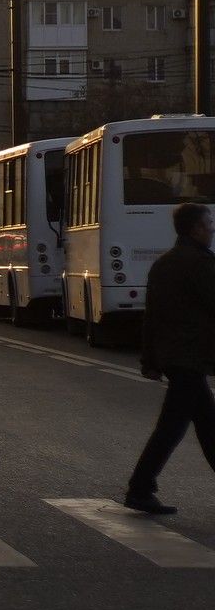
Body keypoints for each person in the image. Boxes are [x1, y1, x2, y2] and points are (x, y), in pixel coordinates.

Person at [122, 202, 215, 515]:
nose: (212, 229)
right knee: (172, 427)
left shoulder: (164, 264)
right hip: (191, 356)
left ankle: (140, 487)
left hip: (176, 357)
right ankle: (139, 487)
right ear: (195, 229)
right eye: (208, 225)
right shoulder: (200, 264)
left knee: (206, 424)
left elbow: (152, 317)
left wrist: (150, 359)